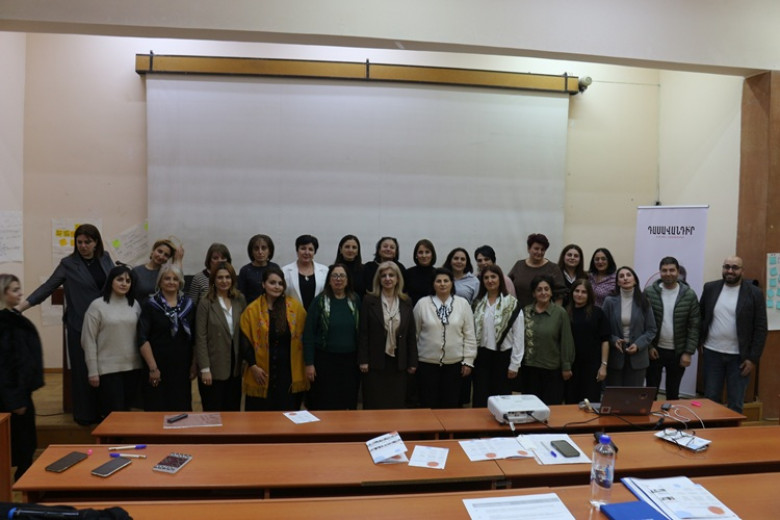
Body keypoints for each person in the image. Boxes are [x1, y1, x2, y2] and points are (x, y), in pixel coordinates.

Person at [18, 223, 114, 425]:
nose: (83, 246)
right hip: (79, 324)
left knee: (105, 369)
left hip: (106, 324)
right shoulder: (68, 264)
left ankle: (106, 413)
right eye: (79, 242)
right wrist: (20, 308)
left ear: (96, 242)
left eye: (87, 242)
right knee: (81, 370)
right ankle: (85, 415)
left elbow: (115, 283)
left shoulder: (105, 258)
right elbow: (47, 287)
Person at [699, 256, 767, 413]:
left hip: (739, 358)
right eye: (726, 267)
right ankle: (712, 429)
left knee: (736, 403)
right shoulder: (710, 288)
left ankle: (732, 430)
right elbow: (700, 317)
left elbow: (760, 328)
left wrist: (752, 359)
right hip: (712, 354)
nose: (730, 271)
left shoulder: (754, 293)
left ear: (742, 271)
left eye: (735, 267)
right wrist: (699, 342)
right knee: (710, 400)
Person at [240, 266, 309, 411]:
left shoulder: (295, 308)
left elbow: (307, 335)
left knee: (287, 414)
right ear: (263, 284)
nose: (277, 287)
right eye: (272, 283)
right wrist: (253, 366)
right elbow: (244, 339)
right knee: (260, 416)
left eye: (280, 283)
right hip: (261, 372)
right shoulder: (252, 310)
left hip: (288, 373)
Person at [80, 265, 142, 420]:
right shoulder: (97, 306)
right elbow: (88, 340)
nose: (124, 283)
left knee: (127, 413)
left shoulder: (134, 304)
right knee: (113, 415)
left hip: (133, 368)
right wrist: (93, 370)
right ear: (111, 281)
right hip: (108, 369)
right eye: (120, 279)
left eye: (128, 281)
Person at [0, 274, 44, 480]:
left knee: (26, 442)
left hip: (20, 390)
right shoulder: (5, 323)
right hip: (12, 394)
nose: (20, 293)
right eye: (15, 290)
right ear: (3, 293)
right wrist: (15, 400)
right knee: (20, 442)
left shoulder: (13, 318)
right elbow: (6, 365)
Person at [413, 268, 476, 408]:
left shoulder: (462, 304)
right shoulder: (422, 304)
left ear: (452, 283)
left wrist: (468, 361)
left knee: (451, 405)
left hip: (454, 365)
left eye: (446, 281)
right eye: (438, 281)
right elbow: (414, 334)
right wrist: (413, 360)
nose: (442, 284)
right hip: (426, 364)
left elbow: (469, 335)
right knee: (428, 404)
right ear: (433, 284)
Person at [358, 262, 417, 409]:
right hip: (375, 362)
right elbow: (363, 332)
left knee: (396, 403)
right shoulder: (369, 300)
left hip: (399, 361)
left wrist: (412, 361)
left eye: (391, 275)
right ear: (378, 279)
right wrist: (363, 360)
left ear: (398, 279)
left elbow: (411, 334)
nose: (387, 279)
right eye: (383, 276)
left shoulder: (406, 301)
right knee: (374, 402)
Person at [137, 264, 196, 411]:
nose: (171, 282)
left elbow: (195, 338)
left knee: (181, 408)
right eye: (167, 278)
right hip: (157, 366)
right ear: (160, 281)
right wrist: (153, 368)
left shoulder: (188, 305)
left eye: (175, 279)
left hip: (182, 367)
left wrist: (194, 364)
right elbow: (142, 338)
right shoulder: (150, 304)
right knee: (157, 408)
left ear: (180, 282)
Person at [303, 264, 361, 410]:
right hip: (324, 361)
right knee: (325, 402)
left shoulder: (355, 300)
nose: (338, 279)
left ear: (348, 280)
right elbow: (309, 334)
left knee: (347, 401)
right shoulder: (319, 301)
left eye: (342, 276)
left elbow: (362, 331)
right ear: (329, 280)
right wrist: (309, 363)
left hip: (350, 362)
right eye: (334, 276)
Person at [644, 257, 700, 400]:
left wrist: (688, 352)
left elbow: (694, 326)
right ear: (660, 272)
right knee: (650, 392)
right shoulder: (649, 292)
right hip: (654, 351)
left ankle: (670, 416)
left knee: (673, 393)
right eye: (664, 270)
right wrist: (649, 347)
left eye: (671, 270)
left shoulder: (689, 295)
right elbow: (643, 322)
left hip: (678, 352)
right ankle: (651, 416)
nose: (668, 273)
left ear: (678, 272)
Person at [195, 262, 247, 411]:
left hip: (235, 366)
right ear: (213, 280)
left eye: (228, 277)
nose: (224, 281)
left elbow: (244, 331)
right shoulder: (205, 302)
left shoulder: (240, 299)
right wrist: (205, 368)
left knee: (233, 411)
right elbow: (200, 337)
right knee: (213, 412)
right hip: (213, 367)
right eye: (220, 277)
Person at [471, 265, 524, 408]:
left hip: (503, 358)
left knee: (501, 400)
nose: (490, 280)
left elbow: (519, 336)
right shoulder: (477, 303)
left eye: (493, 277)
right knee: (481, 397)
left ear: (500, 279)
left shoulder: (512, 303)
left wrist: (515, 364)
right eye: (486, 278)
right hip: (481, 358)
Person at [521, 275, 575, 405]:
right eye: (539, 290)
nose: (543, 292)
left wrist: (566, 366)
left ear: (551, 292)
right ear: (533, 294)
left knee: (551, 409)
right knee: (530, 408)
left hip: (552, 370)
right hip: (529, 368)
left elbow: (566, 341)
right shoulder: (526, 311)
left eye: (546, 289)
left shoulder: (560, 313)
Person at [602, 266, 657, 387]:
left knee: (633, 395)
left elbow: (651, 329)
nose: (625, 278)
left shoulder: (644, 301)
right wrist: (614, 340)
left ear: (635, 280)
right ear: (618, 282)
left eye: (628, 275)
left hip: (638, 357)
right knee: (615, 395)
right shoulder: (609, 301)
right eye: (621, 276)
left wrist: (638, 345)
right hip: (615, 357)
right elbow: (602, 329)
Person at [564, 279, 609, 404]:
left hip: (592, 368)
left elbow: (605, 340)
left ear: (589, 295)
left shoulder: (598, 313)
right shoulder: (564, 312)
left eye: (584, 292)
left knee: (590, 404)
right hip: (571, 368)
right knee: (571, 404)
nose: (579, 294)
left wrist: (603, 366)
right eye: (577, 291)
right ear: (572, 293)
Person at [508, 233, 567, 308]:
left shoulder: (553, 268)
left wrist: (556, 313)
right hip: (520, 311)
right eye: (536, 249)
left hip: (545, 313)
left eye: (542, 249)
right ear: (529, 249)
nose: (539, 252)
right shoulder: (519, 265)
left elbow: (560, 295)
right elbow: (508, 286)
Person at [281, 234, 329, 311]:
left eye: (310, 249)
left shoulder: (325, 271)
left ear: (314, 252)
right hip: (293, 314)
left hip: (317, 314)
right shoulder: (285, 271)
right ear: (297, 250)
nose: (306, 252)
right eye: (303, 248)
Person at [237, 234, 279, 305]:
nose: (260, 252)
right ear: (251, 252)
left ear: (270, 251)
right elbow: (241, 296)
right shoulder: (245, 270)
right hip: (251, 309)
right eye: (256, 249)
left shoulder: (275, 268)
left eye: (264, 248)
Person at [188, 243, 232, 309]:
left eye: (223, 258)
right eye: (215, 258)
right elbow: (191, 304)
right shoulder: (199, 278)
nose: (219, 261)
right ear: (209, 260)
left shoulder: (230, 277)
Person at [404, 239, 437, 305]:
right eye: (420, 252)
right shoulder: (408, 273)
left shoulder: (438, 274)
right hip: (412, 309)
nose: (424, 256)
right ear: (416, 255)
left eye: (427, 252)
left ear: (432, 255)